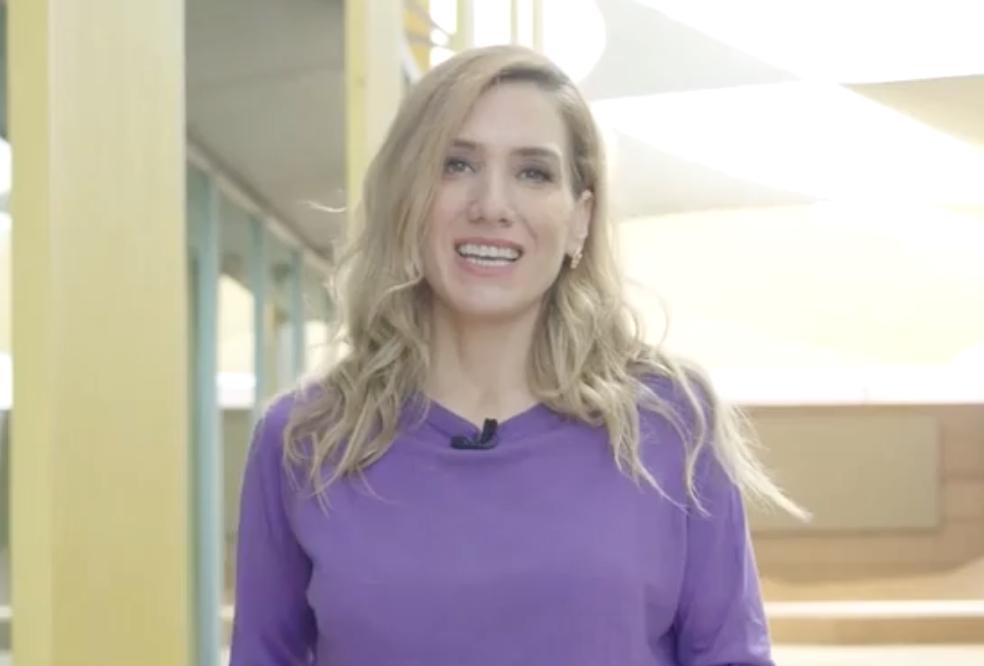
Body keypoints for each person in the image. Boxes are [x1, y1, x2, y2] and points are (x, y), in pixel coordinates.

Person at [228, 44, 804, 666]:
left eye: (533, 173)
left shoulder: (670, 422)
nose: (492, 206)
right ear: (406, 202)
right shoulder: (304, 441)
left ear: (580, 219)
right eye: (456, 165)